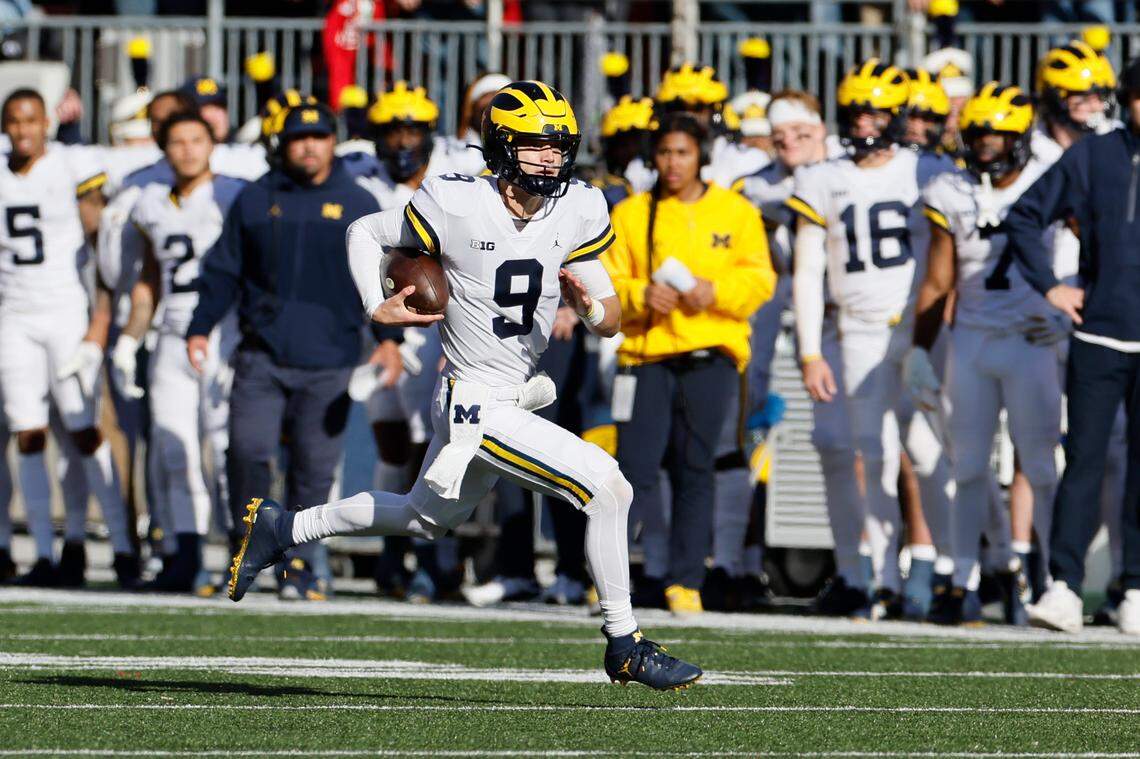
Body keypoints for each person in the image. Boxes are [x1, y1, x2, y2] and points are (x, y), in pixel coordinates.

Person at [226, 80, 702, 690]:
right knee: (607, 488)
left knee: (422, 520)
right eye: (536, 147)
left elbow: (610, 320)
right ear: (500, 146)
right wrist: (378, 307)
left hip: (514, 391)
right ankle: (625, 641)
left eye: (558, 147)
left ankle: (285, 527)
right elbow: (365, 234)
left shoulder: (578, 206)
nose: (550, 160)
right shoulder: (455, 200)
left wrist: (587, 308)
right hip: (473, 401)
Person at [187, 101, 391, 601]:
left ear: (332, 141)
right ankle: (246, 551)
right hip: (262, 355)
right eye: (299, 137)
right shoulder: (257, 199)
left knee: (312, 471)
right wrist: (199, 327)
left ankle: (302, 565)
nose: (308, 145)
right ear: (283, 143)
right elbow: (223, 270)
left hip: (331, 358)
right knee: (248, 452)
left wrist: (390, 343)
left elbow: (386, 281)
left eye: (319, 136)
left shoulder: (360, 202)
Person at [790, 59, 956, 619]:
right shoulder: (822, 177)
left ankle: (946, 572)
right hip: (856, 331)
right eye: (857, 111)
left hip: (918, 329)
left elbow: (949, 256)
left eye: (875, 111)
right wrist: (810, 351)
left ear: (897, 115)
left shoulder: (926, 170)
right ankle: (879, 578)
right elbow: (807, 271)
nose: (864, 122)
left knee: (932, 453)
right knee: (871, 454)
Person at [603, 113, 776, 615]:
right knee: (633, 469)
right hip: (648, 354)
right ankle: (622, 574)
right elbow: (609, 280)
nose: (673, 163)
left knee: (695, 466)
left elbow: (759, 277)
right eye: (664, 153)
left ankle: (686, 579)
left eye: (682, 152)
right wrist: (640, 295)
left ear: (701, 155)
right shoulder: (634, 213)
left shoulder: (734, 210)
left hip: (711, 353)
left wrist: (714, 293)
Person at [906, 83, 1057, 625]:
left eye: (998, 134)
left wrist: (1064, 312)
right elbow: (939, 276)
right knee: (966, 466)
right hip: (970, 339)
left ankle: (1050, 576)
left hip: (1032, 339)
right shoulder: (950, 189)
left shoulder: (1049, 178)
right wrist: (918, 348)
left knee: (1040, 465)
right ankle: (961, 577)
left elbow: (1088, 249)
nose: (987, 144)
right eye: (979, 133)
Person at [1004, 57, 1140, 636]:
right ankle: (1061, 585)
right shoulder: (1093, 154)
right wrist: (1051, 286)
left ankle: (1134, 586)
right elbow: (1025, 216)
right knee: (1081, 460)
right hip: (1098, 332)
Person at [0, 88, 140, 587]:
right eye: (14, 122)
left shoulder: (72, 165)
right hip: (13, 316)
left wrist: (99, 322)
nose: (22, 131)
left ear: (45, 124)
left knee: (84, 430)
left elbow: (101, 242)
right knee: (29, 434)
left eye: (31, 121)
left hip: (64, 311)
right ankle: (41, 553)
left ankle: (123, 547)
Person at [110, 112, 246, 592]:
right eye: (177, 142)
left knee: (226, 446)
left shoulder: (235, 194)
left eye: (196, 140)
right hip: (171, 334)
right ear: (163, 149)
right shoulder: (149, 201)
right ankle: (185, 556)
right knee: (173, 449)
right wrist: (129, 337)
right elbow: (150, 278)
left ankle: (241, 551)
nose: (188, 150)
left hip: (223, 333)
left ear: (213, 143)